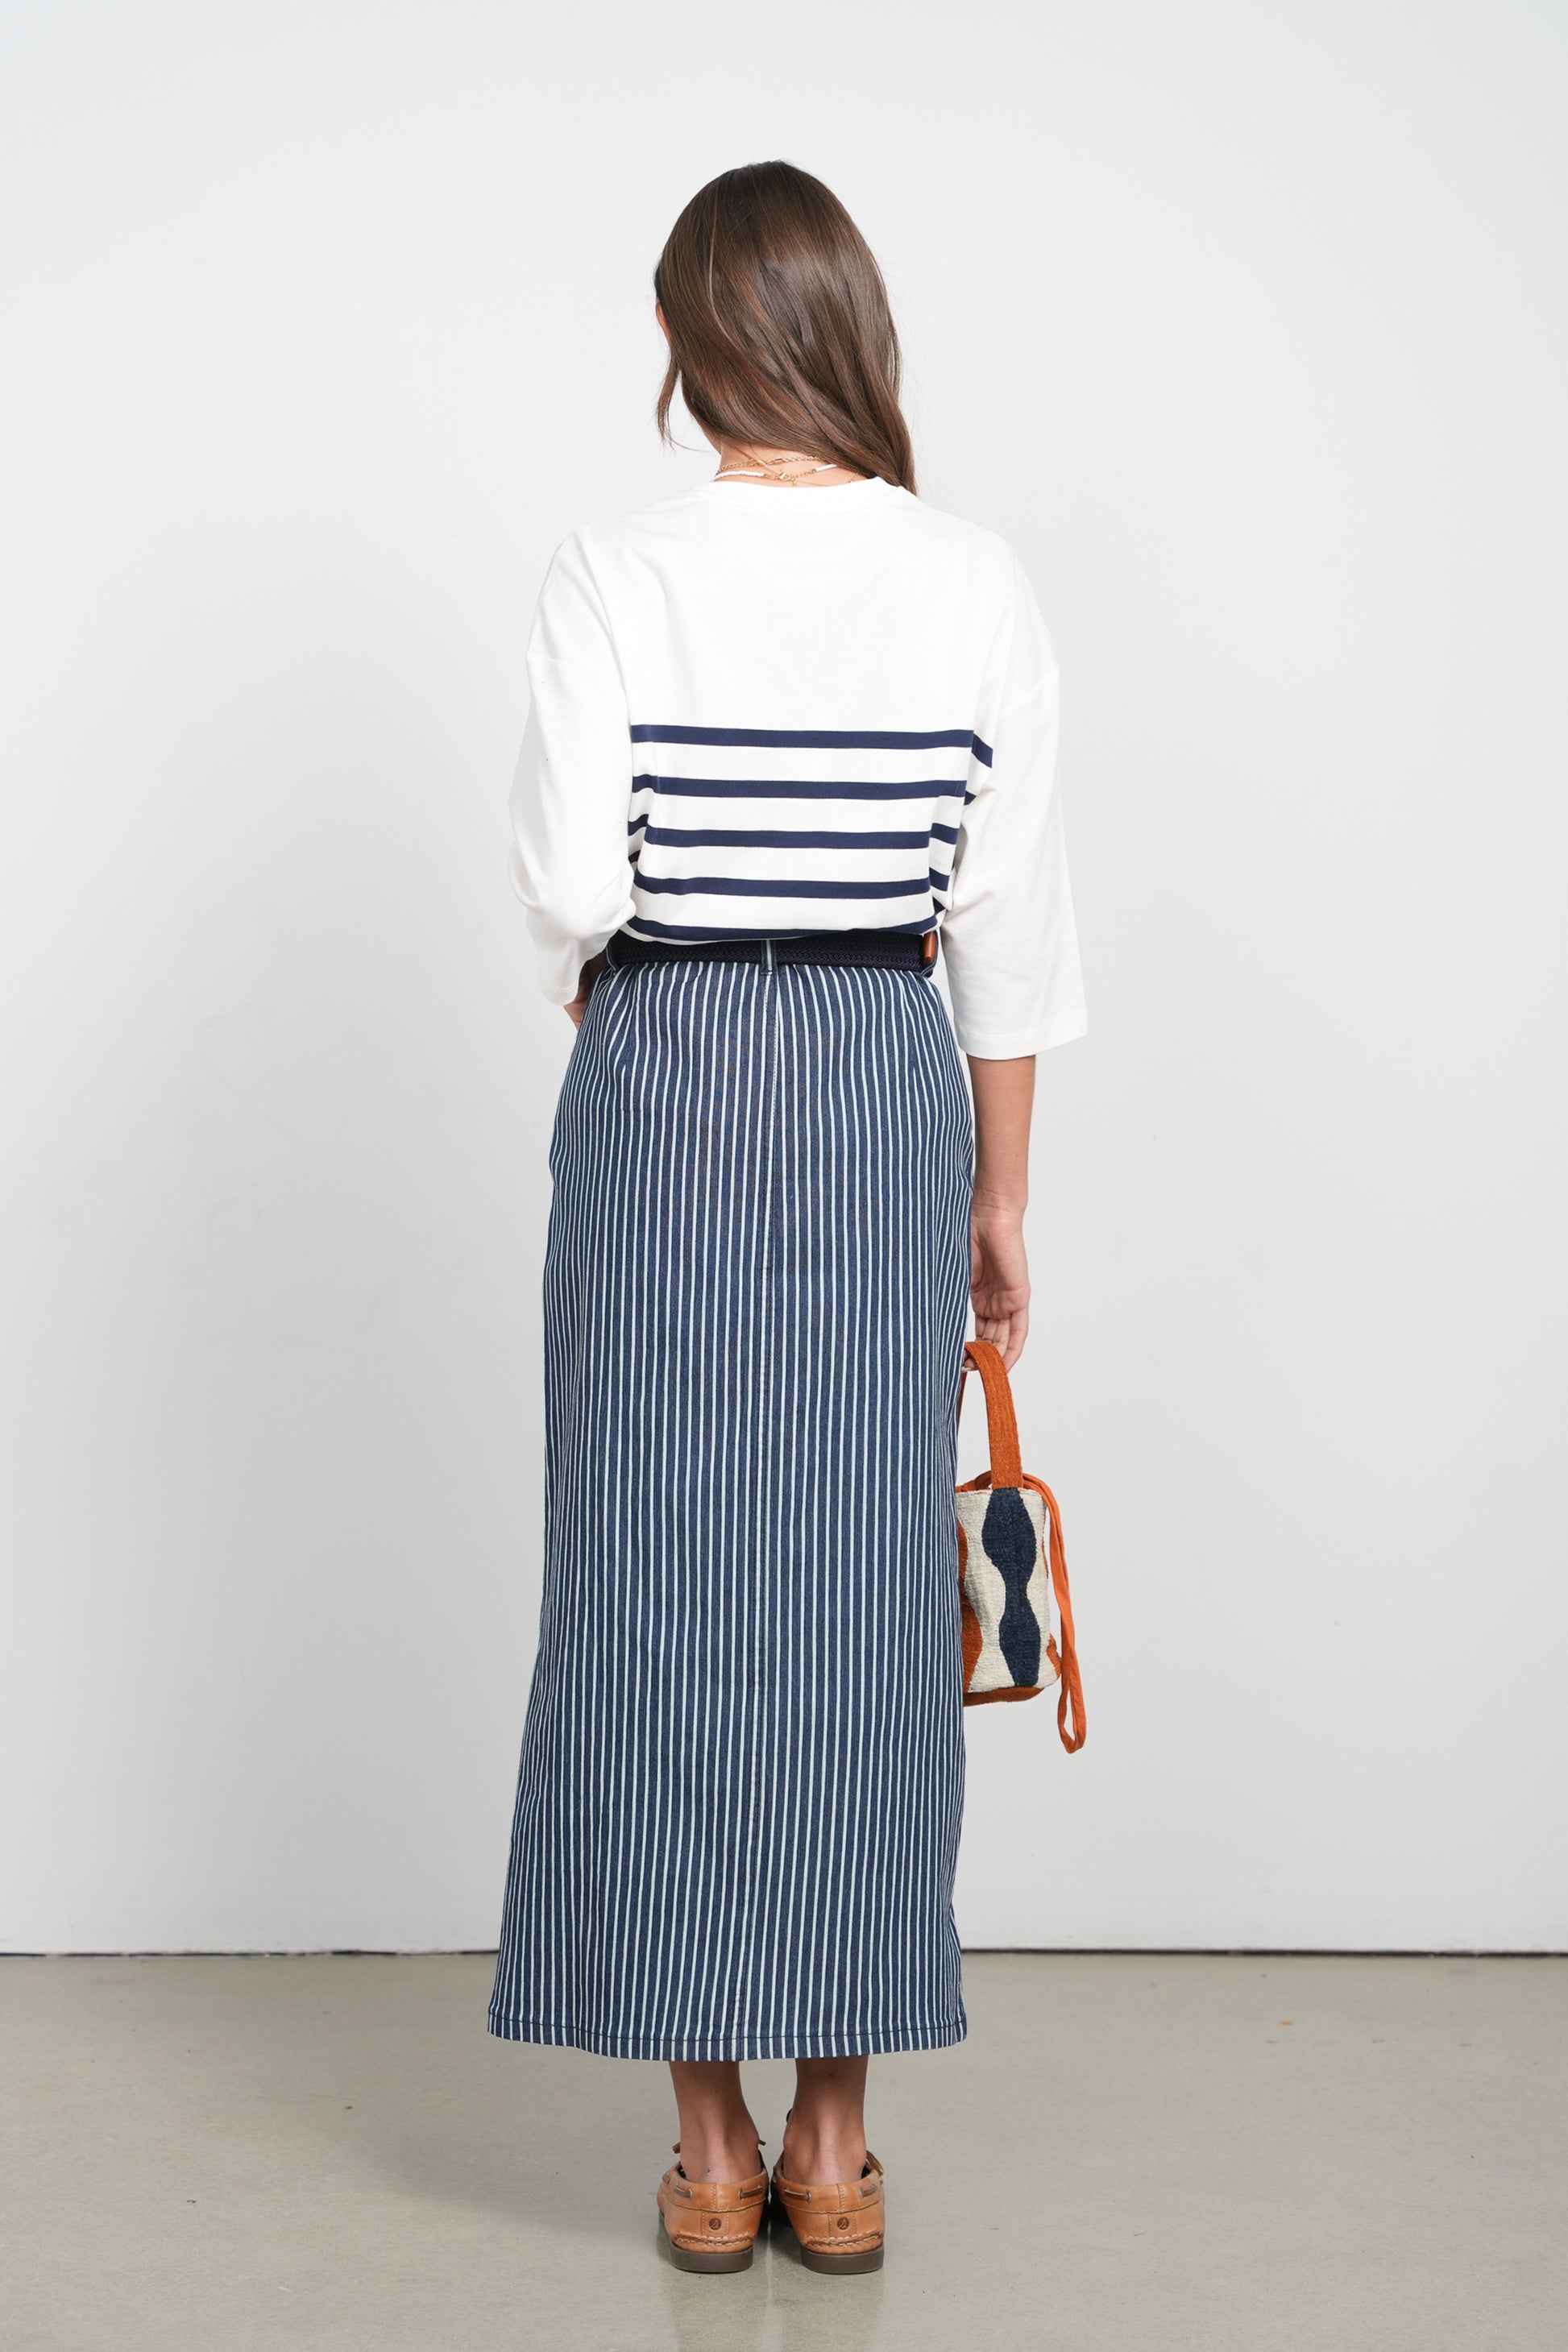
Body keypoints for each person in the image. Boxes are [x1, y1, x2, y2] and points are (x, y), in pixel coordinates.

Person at [488, 160, 1086, 2277]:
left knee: (652, 1579)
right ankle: (838, 2145)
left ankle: (711, 2147)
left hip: (668, 1070)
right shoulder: (970, 575)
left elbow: (573, 881)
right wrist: (1000, 1196)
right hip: (878, 1077)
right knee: (858, 1591)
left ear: (688, 341)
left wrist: (614, 961)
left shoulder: (617, 567)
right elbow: (1007, 919)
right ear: (854, 330)